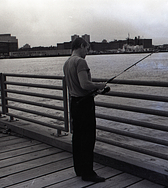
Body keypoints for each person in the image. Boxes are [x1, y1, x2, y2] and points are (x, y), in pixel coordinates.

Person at [63, 37, 107, 183]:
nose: (87, 52)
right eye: (87, 48)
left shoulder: (67, 62)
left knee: (78, 138)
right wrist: (99, 86)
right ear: (81, 46)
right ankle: (88, 173)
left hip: (74, 103)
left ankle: (79, 169)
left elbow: (75, 87)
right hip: (85, 105)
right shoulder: (80, 62)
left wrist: (92, 90)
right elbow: (84, 84)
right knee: (88, 139)